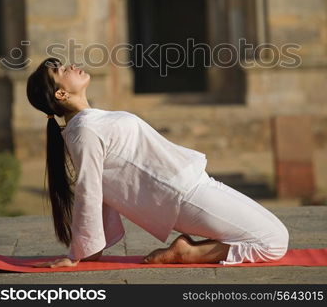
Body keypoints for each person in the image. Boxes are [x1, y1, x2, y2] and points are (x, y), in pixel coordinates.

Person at [26, 57, 289, 268]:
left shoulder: (90, 120)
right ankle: (187, 254)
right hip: (182, 195)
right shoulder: (84, 131)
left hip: (194, 182)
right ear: (60, 93)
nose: (71, 66)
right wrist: (81, 252)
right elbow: (90, 189)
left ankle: (191, 249)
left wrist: (91, 247)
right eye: (61, 70)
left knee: (274, 232)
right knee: (273, 242)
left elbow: (104, 185)